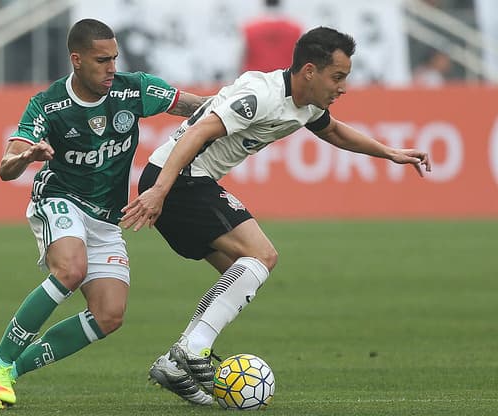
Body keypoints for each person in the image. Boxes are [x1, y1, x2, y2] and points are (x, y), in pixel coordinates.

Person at [121, 26, 431, 405]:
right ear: (309, 71)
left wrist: (390, 153)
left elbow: (333, 132)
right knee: (262, 255)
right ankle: (192, 348)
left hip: (183, 181)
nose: (343, 87)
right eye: (337, 76)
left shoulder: (308, 104)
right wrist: (160, 191)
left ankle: (176, 361)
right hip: (179, 178)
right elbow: (198, 132)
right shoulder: (261, 95)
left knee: (241, 275)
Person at [0, 18, 206, 410]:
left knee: (109, 315)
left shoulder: (133, 89)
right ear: (77, 60)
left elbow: (194, 106)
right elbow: (5, 166)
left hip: (104, 218)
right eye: (102, 61)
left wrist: (241, 108)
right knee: (70, 269)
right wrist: (28, 155)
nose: (112, 68)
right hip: (59, 199)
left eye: (114, 58)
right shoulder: (49, 105)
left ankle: (9, 373)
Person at [240, 0, 302, 73]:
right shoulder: (296, 30)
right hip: (286, 80)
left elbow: (241, 58)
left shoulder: (249, 29)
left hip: (256, 80)